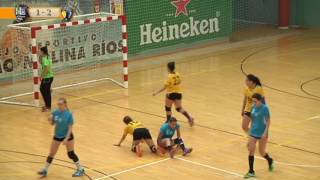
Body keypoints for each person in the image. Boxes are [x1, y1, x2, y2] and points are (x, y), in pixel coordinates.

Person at [38, 98, 85, 177]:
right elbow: (52, 123)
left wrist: (66, 139)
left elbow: (70, 128)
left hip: (68, 136)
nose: (59, 106)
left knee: (71, 154)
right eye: (58, 104)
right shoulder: (56, 112)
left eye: (60, 104)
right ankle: (45, 170)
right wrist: (50, 119)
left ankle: (80, 169)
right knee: (51, 153)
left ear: (65, 104)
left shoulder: (69, 114)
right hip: (57, 135)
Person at [153, 61, 194, 126]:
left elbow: (164, 87)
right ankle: (189, 118)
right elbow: (179, 82)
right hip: (178, 93)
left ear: (168, 68)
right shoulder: (177, 74)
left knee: (168, 108)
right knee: (178, 108)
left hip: (171, 94)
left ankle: (168, 122)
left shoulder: (169, 76)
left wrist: (156, 92)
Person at [244, 93, 274, 178]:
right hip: (253, 132)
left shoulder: (265, 108)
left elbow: (268, 121)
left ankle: (270, 160)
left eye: (255, 101)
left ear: (260, 101)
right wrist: (249, 135)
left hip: (262, 133)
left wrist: (265, 132)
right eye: (253, 101)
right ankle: (251, 171)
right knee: (251, 150)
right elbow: (252, 120)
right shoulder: (253, 107)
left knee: (262, 152)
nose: (254, 103)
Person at [39, 46, 54, 112]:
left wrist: (42, 75)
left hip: (47, 77)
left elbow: (47, 68)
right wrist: (39, 56)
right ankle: (47, 105)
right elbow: (40, 62)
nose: (40, 52)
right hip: (49, 77)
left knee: (46, 91)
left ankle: (48, 106)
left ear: (42, 51)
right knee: (42, 89)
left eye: (40, 51)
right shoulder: (47, 57)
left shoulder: (44, 59)